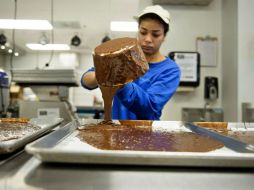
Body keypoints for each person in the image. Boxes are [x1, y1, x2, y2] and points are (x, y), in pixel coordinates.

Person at [81, 5, 180, 120]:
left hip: (147, 134)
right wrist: (101, 75)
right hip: (116, 130)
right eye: (143, 32)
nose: (148, 39)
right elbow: (85, 80)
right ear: (138, 31)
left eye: (155, 34)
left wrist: (120, 78)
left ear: (164, 36)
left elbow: (149, 107)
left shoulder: (170, 70)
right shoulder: (123, 55)